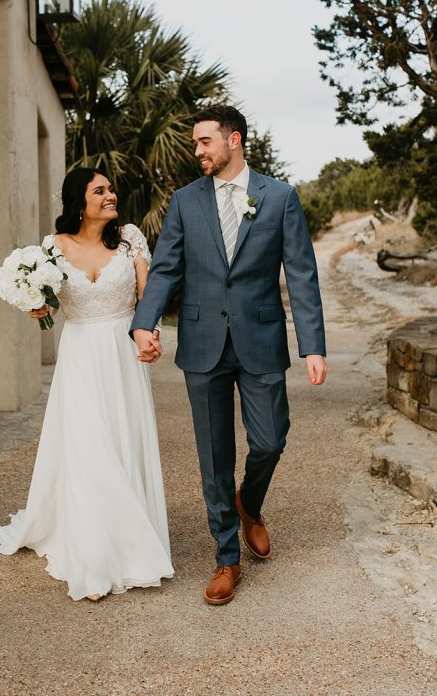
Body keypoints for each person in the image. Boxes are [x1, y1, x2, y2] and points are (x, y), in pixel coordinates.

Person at [131, 106, 326, 606]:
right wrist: (143, 324)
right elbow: (167, 269)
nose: (197, 151)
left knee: (270, 439)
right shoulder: (184, 201)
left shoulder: (279, 197)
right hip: (202, 343)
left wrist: (313, 346)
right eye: (195, 144)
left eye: (203, 142)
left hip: (260, 338)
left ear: (233, 140)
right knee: (214, 454)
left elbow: (300, 273)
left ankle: (250, 504)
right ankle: (225, 558)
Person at [0, 167, 173, 602]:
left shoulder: (130, 238)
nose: (111, 195)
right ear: (78, 200)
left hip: (122, 352)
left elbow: (151, 297)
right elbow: (43, 300)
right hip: (81, 354)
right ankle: (94, 552)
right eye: (100, 190)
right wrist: (36, 304)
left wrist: (151, 335)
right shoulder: (53, 248)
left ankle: (126, 534)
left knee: (120, 440)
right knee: (89, 446)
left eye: (111, 189)